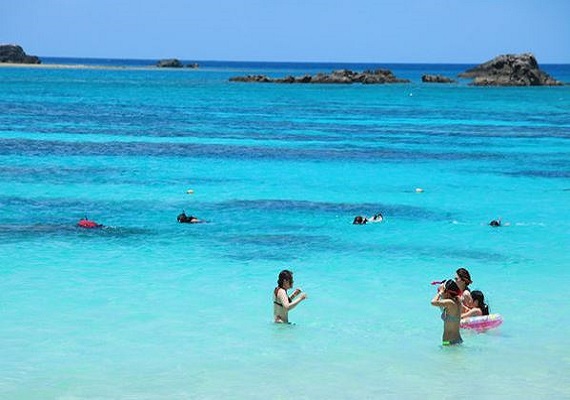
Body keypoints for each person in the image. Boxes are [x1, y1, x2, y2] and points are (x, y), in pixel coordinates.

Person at [431, 279, 463, 346]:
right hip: (455, 341)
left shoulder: (450, 303)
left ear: (447, 293)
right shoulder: (457, 300)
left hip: (449, 343)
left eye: (444, 291)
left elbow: (433, 302)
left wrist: (440, 293)